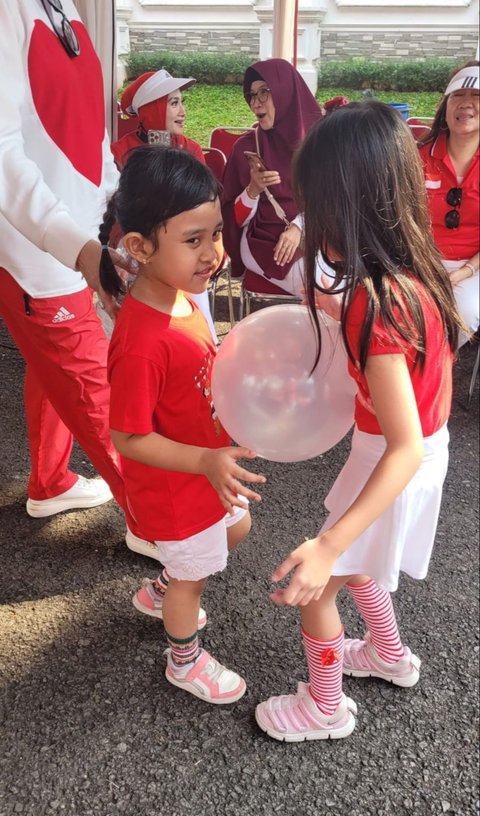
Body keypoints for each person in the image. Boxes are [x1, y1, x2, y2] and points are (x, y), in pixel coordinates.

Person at [255, 100, 463, 742]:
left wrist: (327, 546)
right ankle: (387, 655)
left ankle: (325, 708)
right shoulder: (414, 277)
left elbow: (399, 447)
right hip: (418, 451)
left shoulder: (374, 306)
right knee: (364, 562)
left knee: (318, 587)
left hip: (393, 459)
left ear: (345, 206)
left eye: (316, 203)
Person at [99, 145, 266, 703]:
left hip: (204, 470)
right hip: (176, 487)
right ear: (140, 247)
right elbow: (127, 436)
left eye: (215, 234)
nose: (213, 253)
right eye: (193, 240)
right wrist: (203, 458)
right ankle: (183, 658)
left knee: (235, 529)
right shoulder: (142, 342)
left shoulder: (183, 297)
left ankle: (164, 586)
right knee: (196, 574)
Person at [0, 0, 155, 556]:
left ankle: (50, 483)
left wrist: (118, 211)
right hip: (37, 252)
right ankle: (158, 523)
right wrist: (80, 248)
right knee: (97, 389)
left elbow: (90, 134)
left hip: (83, 238)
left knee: (55, 370)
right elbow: (1, 154)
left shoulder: (66, 10)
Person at [111, 68, 218, 343]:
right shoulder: (121, 152)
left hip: (184, 245)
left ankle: (201, 344)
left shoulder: (190, 149)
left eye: (182, 102)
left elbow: (204, 205)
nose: (182, 111)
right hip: (137, 246)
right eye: (173, 103)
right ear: (150, 109)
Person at [221, 58, 322, 296]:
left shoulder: (321, 143)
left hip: (321, 236)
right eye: (251, 95)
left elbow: (338, 200)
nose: (255, 103)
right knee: (323, 289)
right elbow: (231, 219)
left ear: (285, 92)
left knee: (351, 280)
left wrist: (299, 227)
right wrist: (252, 190)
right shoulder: (247, 147)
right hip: (264, 242)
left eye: (264, 92)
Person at [418, 61, 479, 347]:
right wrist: (423, 264)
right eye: (458, 95)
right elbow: (400, 218)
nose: (466, 104)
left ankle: (431, 377)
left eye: (477, 96)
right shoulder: (418, 156)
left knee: (461, 314)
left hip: (473, 267)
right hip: (420, 259)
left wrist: (463, 272)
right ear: (446, 105)